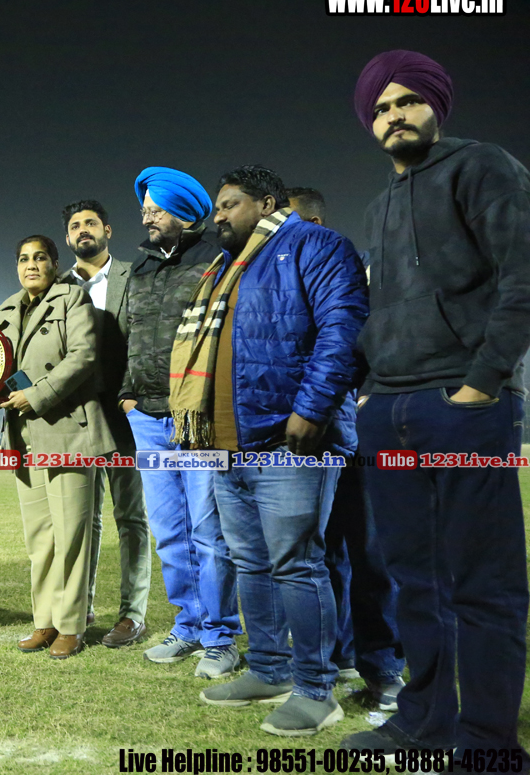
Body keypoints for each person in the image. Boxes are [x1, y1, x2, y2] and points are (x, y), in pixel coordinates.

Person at [341, 50, 530, 761]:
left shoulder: (483, 167)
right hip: (391, 411)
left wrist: (483, 380)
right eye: (381, 108)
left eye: (407, 101)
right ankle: (425, 720)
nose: (394, 116)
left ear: (434, 105)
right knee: (413, 580)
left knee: (480, 583)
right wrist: (368, 389)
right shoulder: (381, 205)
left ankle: (486, 743)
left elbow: (523, 274)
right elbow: (382, 310)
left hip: (461, 406)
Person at [175, 166, 367, 736]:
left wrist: (313, 408)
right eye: (216, 207)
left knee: (297, 564)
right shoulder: (227, 266)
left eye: (229, 204)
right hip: (227, 445)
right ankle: (268, 668)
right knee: (251, 563)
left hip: (289, 439)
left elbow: (342, 329)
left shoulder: (316, 245)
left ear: (266, 203)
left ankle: (316, 689)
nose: (218, 215)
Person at [285, 186, 405, 708]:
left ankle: (384, 666)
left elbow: (381, 340)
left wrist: (369, 394)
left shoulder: (358, 270)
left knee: (371, 551)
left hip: (362, 428)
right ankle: (335, 656)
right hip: (317, 433)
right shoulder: (285, 277)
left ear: (314, 224)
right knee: (323, 551)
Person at [118, 169, 241, 678]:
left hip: (198, 416)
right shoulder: (142, 267)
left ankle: (221, 636)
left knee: (209, 532)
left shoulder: (217, 258)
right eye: (145, 209)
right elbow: (132, 336)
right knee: (169, 532)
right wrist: (126, 395)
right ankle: (187, 625)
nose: (147, 217)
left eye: (157, 208)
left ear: (185, 211)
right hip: (146, 417)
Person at [0, 235, 117, 660]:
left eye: (40, 257)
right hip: (23, 435)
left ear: (54, 263)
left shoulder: (73, 298)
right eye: (23, 258)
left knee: (71, 537)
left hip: (68, 431)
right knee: (40, 539)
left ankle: (71, 624)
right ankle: (44, 621)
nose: (31, 265)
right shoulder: (6, 308)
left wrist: (38, 394)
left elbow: (83, 357)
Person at [59, 199, 151, 646]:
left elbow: (145, 339)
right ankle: (83, 605)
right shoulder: (58, 286)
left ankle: (132, 613)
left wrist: (133, 393)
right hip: (75, 417)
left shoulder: (135, 276)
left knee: (131, 517)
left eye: (91, 223)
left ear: (107, 230)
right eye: (75, 225)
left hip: (122, 413)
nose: (83, 230)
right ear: (68, 237)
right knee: (84, 518)